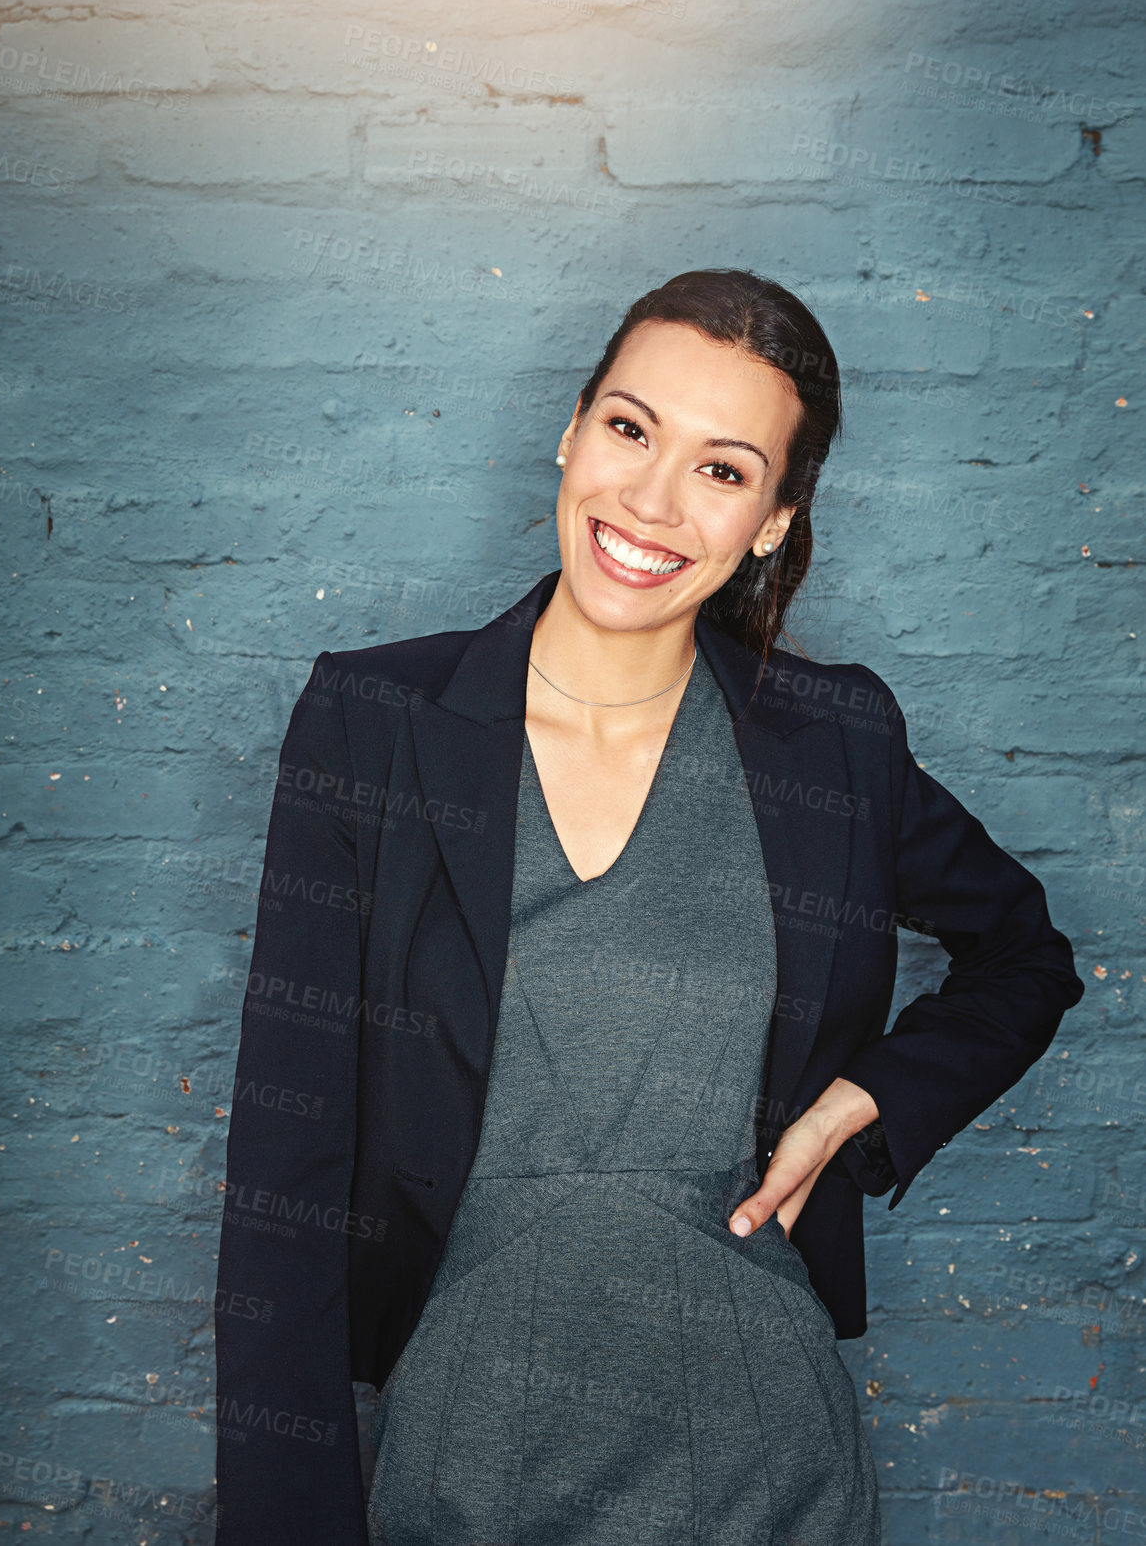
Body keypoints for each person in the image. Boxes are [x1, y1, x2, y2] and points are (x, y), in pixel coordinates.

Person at [214, 269, 1083, 1545]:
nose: (651, 500)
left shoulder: (833, 743)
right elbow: (282, 1178)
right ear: (570, 433)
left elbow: (1024, 953)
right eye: (630, 429)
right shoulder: (373, 725)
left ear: (775, 521)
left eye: (723, 470)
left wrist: (868, 1100)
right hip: (465, 1453)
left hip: (767, 1456)